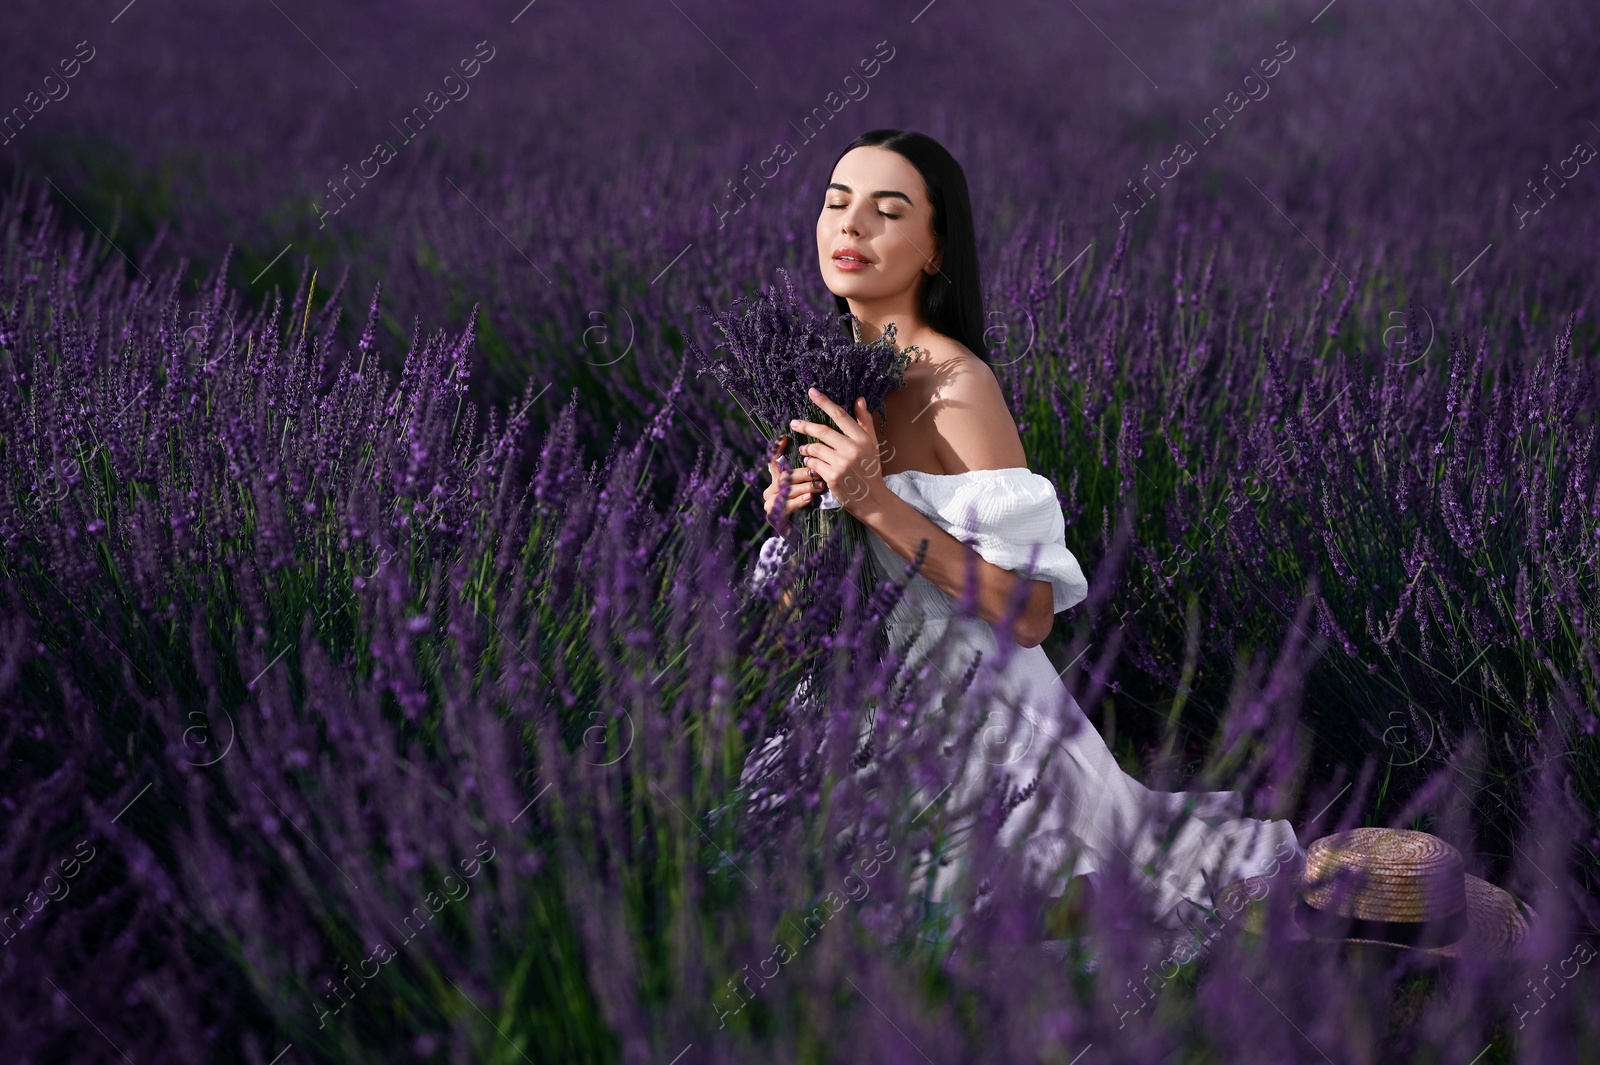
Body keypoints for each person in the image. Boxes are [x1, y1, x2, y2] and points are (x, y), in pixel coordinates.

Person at [750, 128, 1305, 933]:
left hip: (977, 725)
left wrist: (876, 504)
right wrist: (792, 524)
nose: (851, 227)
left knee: (956, 913)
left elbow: (1033, 613)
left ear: (935, 250)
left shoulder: (958, 386)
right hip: (850, 705)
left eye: (886, 211)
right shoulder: (816, 377)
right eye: (837, 204)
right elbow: (799, 620)